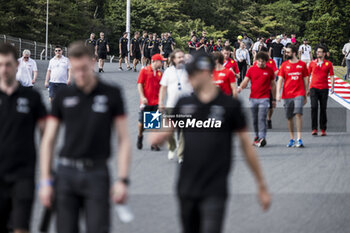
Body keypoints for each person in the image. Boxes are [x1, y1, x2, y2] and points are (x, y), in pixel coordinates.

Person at [150, 53, 271, 233]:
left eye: (192, 73)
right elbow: (164, 131)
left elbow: (246, 146)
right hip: (187, 186)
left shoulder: (229, 105)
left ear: (206, 72)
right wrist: (156, 133)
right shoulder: (184, 103)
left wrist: (261, 184)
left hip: (215, 186)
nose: (189, 78)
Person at [39, 41, 131, 233]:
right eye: (75, 69)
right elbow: (49, 140)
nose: (79, 74)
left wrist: (122, 180)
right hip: (66, 173)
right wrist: (46, 181)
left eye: (84, 68)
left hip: (97, 173)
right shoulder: (64, 95)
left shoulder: (112, 94)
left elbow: (123, 140)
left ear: (93, 62)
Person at [0, 43, 47, 233]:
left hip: (23, 175)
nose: (4, 69)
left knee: (21, 227)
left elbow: (47, 136)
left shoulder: (32, 97)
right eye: (0, 64)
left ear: (16, 65)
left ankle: (150, 134)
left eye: (8, 64)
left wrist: (47, 176)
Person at [158, 49, 193, 163]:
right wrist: (160, 102)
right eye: (179, 57)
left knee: (184, 132)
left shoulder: (189, 71)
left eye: (183, 57)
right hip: (171, 105)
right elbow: (163, 88)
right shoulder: (168, 71)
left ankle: (181, 154)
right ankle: (172, 147)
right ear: (173, 59)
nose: (181, 59)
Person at [238, 52, 276, 147]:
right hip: (253, 98)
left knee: (261, 118)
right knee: (255, 119)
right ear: (256, 61)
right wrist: (240, 88)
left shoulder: (269, 70)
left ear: (266, 62)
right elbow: (246, 81)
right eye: (259, 61)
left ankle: (262, 137)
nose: (260, 63)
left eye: (262, 62)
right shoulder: (251, 70)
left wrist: (274, 99)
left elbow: (273, 85)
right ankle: (256, 137)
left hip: (265, 98)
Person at [277, 44, 309, 148]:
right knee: (289, 117)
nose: (286, 54)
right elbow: (280, 80)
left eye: (288, 52)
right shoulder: (284, 65)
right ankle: (292, 139)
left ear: (294, 53)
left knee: (298, 114)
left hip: (298, 93)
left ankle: (299, 139)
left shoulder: (302, 65)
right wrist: (278, 93)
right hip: (287, 94)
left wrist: (305, 92)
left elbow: (305, 79)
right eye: (286, 52)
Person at [136, 54, 166, 150]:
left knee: (154, 123)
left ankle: (154, 144)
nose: (162, 63)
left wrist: (161, 101)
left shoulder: (160, 74)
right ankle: (140, 136)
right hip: (145, 101)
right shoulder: (144, 71)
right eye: (161, 61)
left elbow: (162, 88)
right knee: (142, 124)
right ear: (154, 61)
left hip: (156, 101)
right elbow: (140, 84)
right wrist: (142, 97)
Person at [308, 46, 335, 136]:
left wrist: (332, 85)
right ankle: (314, 128)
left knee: (323, 109)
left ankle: (323, 129)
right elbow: (307, 76)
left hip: (324, 88)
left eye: (320, 52)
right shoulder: (312, 63)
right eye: (317, 52)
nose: (318, 53)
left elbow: (331, 75)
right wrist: (306, 87)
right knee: (314, 107)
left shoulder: (329, 64)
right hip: (313, 88)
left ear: (324, 53)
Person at [255, 46, 278, 129]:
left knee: (270, 106)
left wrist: (279, 73)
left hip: (270, 87)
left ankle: (268, 119)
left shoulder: (272, 62)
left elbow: (276, 71)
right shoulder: (256, 62)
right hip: (259, 88)